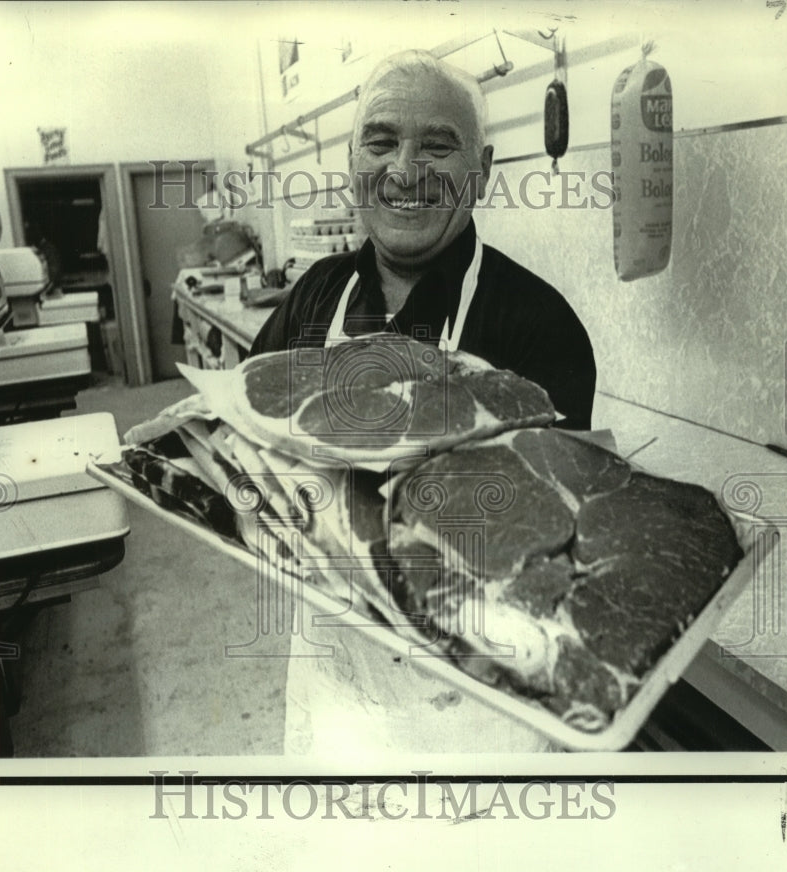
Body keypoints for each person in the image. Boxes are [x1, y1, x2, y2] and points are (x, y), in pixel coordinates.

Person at [248, 49, 597, 757]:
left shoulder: (538, 323)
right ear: (350, 161)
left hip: (475, 695)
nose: (405, 171)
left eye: (438, 145)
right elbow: (250, 445)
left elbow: (555, 540)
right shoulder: (317, 292)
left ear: (483, 171)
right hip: (335, 667)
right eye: (380, 141)